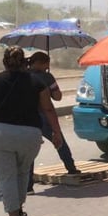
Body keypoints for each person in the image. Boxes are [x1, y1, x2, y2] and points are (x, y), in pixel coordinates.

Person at [0, 46, 63, 216]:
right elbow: (48, 109)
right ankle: (18, 210)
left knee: (6, 175)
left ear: (4, 62)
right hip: (29, 135)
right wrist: (56, 132)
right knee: (22, 173)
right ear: (24, 63)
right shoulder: (37, 83)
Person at [26, 52, 81, 192]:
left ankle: (28, 186)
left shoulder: (22, 75)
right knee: (59, 141)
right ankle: (71, 168)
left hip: (25, 116)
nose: (47, 67)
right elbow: (58, 96)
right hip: (44, 115)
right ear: (41, 63)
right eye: (46, 64)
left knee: (29, 149)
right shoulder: (46, 77)